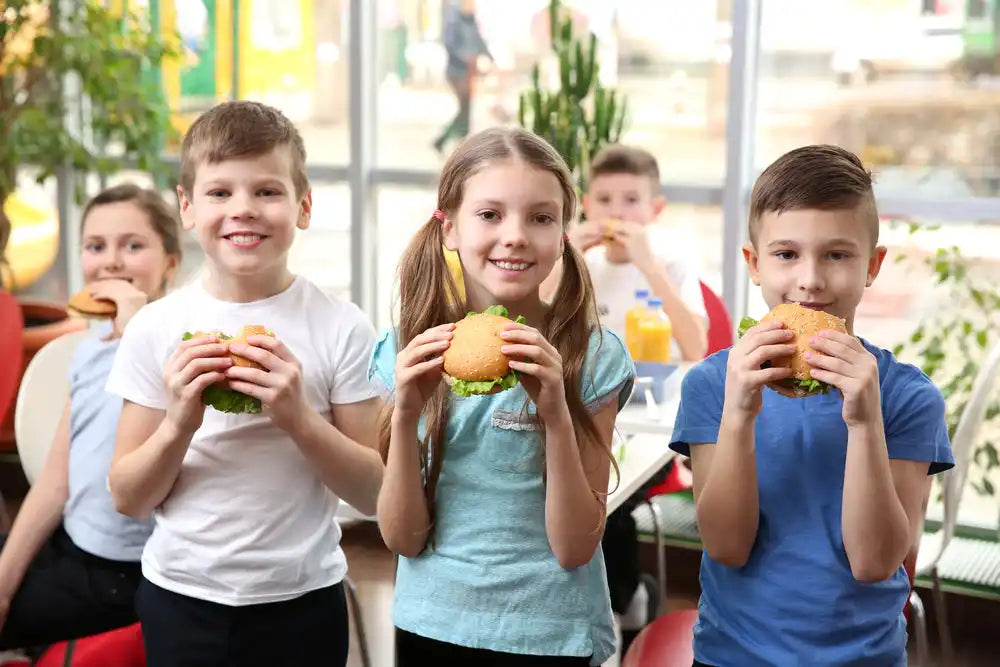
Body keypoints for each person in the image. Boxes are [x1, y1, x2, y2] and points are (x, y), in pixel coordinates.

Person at [105, 101, 383, 667]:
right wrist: (181, 420)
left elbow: (378, 495)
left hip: (304, 600)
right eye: (219, 193)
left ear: (303, 207)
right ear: (186, 207)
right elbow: (128, 497)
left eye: (267, 191)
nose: (243, 210)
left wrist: (299, 419)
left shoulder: (341, 326)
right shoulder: (155, 328)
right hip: (181, 597)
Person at [670, 144, 955, 666]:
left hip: (863, 658)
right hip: (732, 654)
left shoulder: (907, 397)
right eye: (786, 254)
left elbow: (875, 562)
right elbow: (727, 547)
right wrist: (738, 414)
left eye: (837, 255)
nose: (810, 280)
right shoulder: (714, 384)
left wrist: (866, 423)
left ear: (872, 266)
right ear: (754, 264)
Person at [371, 126, 635, 665]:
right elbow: (402, 538)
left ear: (564, 232)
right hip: (431, 624)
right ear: (448, 227)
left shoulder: (594, 357)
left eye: (541, 217)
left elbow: (575, 547)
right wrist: (405, 414)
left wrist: (557, 416)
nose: (515, 235)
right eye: (490, 215)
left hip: (551, 632)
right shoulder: (405, 350)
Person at [0, 184, 182, 652]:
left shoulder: (180, 348)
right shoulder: (89, 348)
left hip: (124, 574)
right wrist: (5, 580)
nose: (112, 262)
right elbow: (56, 481)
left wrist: (133, 327)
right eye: (95, 247)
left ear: (172, 263)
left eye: (133, 245)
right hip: (70, 544)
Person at [542, 143, 707, 362]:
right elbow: (535, 326)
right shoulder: (582, 262)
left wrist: (649, 266)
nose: (616, 212)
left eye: (631, 200)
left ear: (655, 209)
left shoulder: (671, 262)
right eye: (604, 200)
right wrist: (566, 256)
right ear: (587, 207)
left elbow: (696, 349)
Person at [432, 0, 493, 156]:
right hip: (456, 71)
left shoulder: (472, 21)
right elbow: (449, 44)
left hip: (469, 72)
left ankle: (456, 143)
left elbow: (479, 42)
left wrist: (489, 57)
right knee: (464, 108)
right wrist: (464, 58)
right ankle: (446, 140)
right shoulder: (454, 20)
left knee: (466, 108)